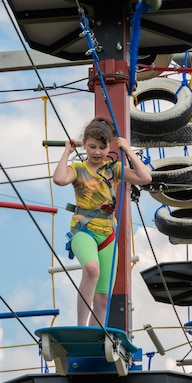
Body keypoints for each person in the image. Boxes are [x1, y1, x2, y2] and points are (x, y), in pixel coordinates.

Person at [53, 117, 152, 327]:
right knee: (91, 269)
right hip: (84, 230)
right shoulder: (79, 169)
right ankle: (81, 327)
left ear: (109, 147)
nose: (97, 152)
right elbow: (60, 179)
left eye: (102, 147)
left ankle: (95, 335)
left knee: (103, 298)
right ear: (85, 145)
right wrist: (66, 152)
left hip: (107, 234)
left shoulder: (113, 170)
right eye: (92, 147)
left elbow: (145, 178)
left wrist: (128, 150)